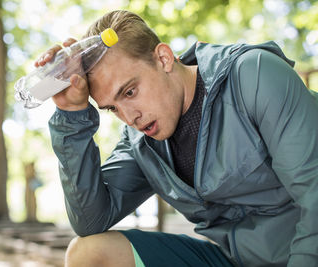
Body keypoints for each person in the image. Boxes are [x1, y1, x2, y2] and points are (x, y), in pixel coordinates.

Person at [35, 10, 318, 267]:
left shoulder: (254, 75)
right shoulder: (140, 144)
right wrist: (71, 113)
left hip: (305, 251)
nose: (128, 116)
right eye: (112, 108)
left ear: (164, 58)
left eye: (130, 92)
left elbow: (315, 198)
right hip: (235, 260)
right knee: (88, 252)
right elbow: (89, 221)